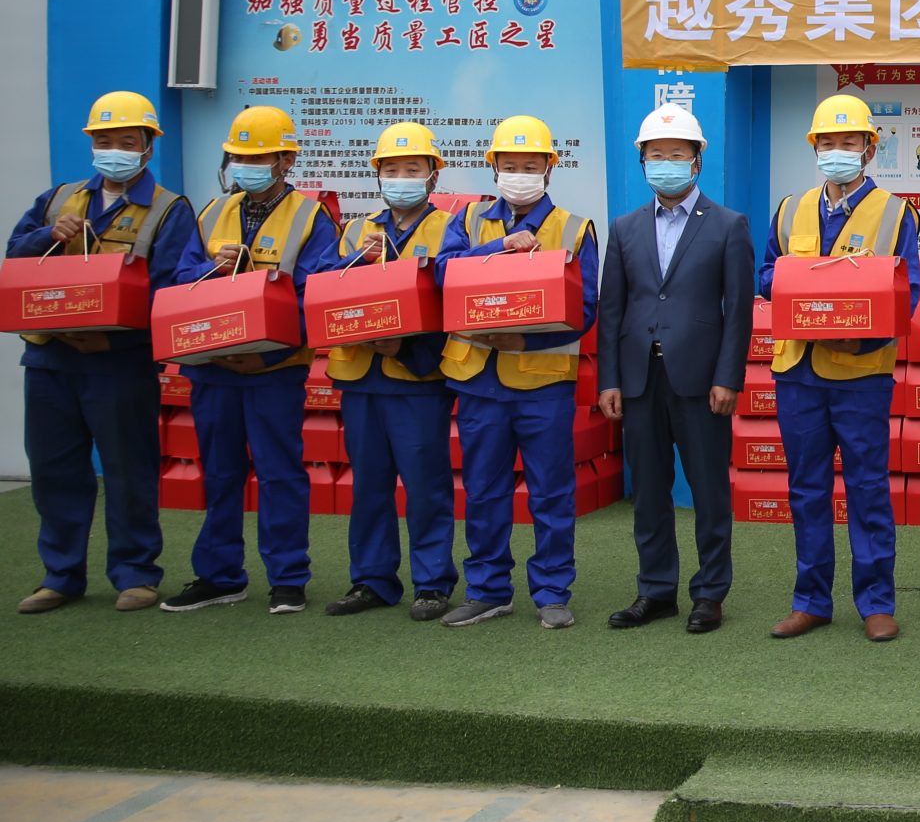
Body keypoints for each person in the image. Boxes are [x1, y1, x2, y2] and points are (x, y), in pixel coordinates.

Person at [11, 91, 200, 615]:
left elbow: (170, 292)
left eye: (127, 141)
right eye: (105, 140)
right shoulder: (58, 200)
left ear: (147, 147)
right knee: (54, 470)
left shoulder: (168, 209)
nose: (115, 150)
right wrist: (47, 236)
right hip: (50, 360)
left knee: (127, 468)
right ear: (92, 144)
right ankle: (60, 575)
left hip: (118, 363)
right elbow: (15, 258)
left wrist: (114, 341)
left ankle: (136, 573)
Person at [161, 105, 344, 615]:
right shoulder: (212, 213)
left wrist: (270, 354)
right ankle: (219, 575)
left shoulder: (311, 217)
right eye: (239, 157)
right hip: (214, 370)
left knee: (279, 472)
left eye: (259, 157)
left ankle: (288, 578)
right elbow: (180, 280)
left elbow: (316, 293)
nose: (247, 166)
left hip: (273, 373)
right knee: (220, 473)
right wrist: (211, 272)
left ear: (286, 160)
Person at [758, 93, 920, 641]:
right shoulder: (790, 208)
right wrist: (799, 285)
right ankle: (811, 601)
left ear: (870, 149)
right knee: (806, 489)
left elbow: (907, 292)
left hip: (860, 374)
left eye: (848, 143)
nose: (836, 152)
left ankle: (876, 603)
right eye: (826, 142)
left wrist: (860, 334)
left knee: (867, 488)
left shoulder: (895, 213)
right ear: (814, 148)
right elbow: (766, 274)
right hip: (797, 373)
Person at [436, 114, 600, 629]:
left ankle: (552, 592)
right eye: (510, 165)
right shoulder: (467, 220)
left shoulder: (574, 228)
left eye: (531, 166)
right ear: (494, 167)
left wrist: (524, 339)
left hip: (542, 382)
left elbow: (586, 308)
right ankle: (487, 590)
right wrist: (497, 249)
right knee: (484, 489)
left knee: (551, 491)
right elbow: (441, 274)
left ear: (549, 168)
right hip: (478, 380)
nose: (520, 174)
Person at [599, 103, 755, 636]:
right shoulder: (625, 228)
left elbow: (739, 310)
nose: (665, 163)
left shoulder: (728, 225)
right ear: (643, 161)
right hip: (640, 378)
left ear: (696, 161)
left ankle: (710, 593)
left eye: (676, 154)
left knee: (709, 491)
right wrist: (610, 379)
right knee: (648, 491)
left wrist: (728, 377)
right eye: (656, 155)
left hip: (701, 380)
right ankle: (655, 589)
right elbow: (612, 310)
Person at [322, 123, 459, 620]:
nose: (401, 178)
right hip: (361, 376)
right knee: (369, 484)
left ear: (432, 175)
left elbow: (455, 297)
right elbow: (324, 284)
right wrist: (357, 264)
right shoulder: (356, 230)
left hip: (417, 378)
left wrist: (404, 344)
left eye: (412, 168)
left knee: (425, 484)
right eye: (392, 169)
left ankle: (432, 583)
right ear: (378, 175)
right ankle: (372, 580)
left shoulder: (451, 227)